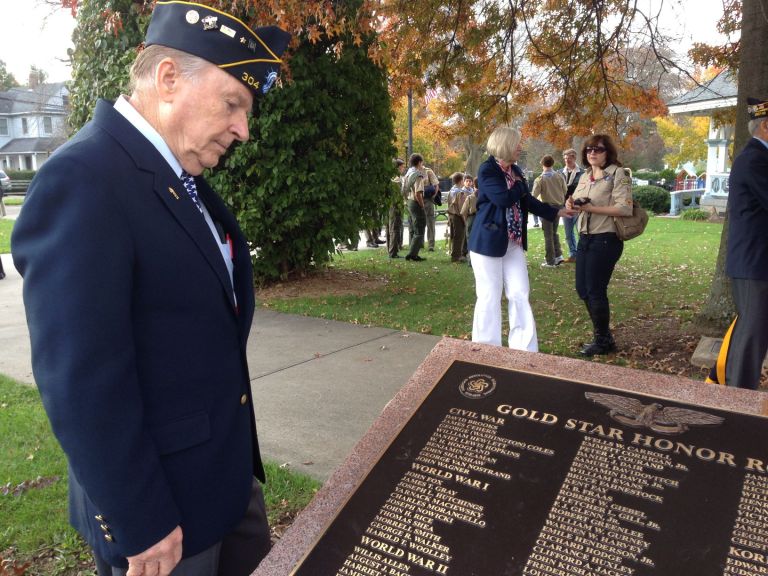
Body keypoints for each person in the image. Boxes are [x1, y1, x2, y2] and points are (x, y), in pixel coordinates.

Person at [11, 3, 290, 575]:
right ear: (168, 79)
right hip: (165, 521)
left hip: (226, 485)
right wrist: (140, 519)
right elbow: (80, 379)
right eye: (233, 103)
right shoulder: (83, 179)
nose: (243, 129)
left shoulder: (177, 180)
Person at [468, 126, 574, 350]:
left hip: (513, 242)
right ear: (504, 144)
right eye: (517, 143)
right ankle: (486, 348)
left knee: (519, 292)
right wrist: (519, 185)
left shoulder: (515, 170)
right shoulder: (487, 170)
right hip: (488, 242)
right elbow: (503, 198)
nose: (520, 147)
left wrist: (556, 211)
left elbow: (528, 202)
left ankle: (524, 349)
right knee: (489, 295)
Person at [566, 134, 633, 356]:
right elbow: (577, 202)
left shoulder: (618, 174)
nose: (592, 153)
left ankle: (603, 341)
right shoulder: (585, 176)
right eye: (589, 149)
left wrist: (591, 208)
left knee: (595, 290)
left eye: (598, 149)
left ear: (608, 152)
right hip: (585, 238)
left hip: (606, 239)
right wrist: (572, 203)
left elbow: (624, 208)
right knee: (582, 289)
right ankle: (604, 337)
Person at [722, 97, 768, 389]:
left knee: (755, 332)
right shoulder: (754, 159)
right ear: (766, 125)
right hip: (755, 262)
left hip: (757, 261)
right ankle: (737, 404)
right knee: (752, 335)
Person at [531, 154, 567, 268]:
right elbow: (565, 190)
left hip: (547, 208)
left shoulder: (540, 179)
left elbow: (534, 195)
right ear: (552, 164)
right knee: (554, 232)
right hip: (559, 207)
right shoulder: (559, 176)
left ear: (542, 164)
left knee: (548, 235)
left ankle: (550, 261)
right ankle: (558, 256)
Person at [403, 153, 428, 262]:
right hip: (415, 202)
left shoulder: (408, 173)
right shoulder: (417, 175)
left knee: (415, 227)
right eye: (422, 162)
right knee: (420, 228)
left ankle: (413, 253)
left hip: (409, 201)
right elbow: (418, 194)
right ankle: (412, 254)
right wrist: (422, 206)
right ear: (419, 162)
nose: (422, 165)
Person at [559, 148, 583, 262]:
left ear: (574, 157)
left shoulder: (582, 173)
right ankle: (573, 254)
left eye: (568, 158)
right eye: (565, 158)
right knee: (568, 233)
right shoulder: (559, 173)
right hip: (565, 206)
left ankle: (583, 254)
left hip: (578, 207)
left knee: (580, 231)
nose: (566, 160)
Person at [446, 172, 468, 263]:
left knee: (454, 236)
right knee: (459, 236)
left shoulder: (451, 190)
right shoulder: (460, 192)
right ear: (460, 181)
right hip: (458, 216)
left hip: (451, 215)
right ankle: (456, 256)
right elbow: (462, 209)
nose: (464, 181)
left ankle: (455, 254)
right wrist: (464, 220)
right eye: (463, 179)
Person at [387, 159, 406, 259]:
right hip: (395, 206)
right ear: (398, 167)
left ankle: (391, 250)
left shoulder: (392, 178)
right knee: (394, 228)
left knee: (390, 228)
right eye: (402, 167)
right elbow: (399, 194)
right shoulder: (396, 179)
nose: (404, 169)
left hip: (391, 205)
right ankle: (393, 252)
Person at [422, 164, 441, 252]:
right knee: (417, 222)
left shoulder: (428, 171)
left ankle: (431, 245)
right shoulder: (411, 171)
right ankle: (418, 244)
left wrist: (433, 196)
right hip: (416, 200)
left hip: (427, 199)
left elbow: (436, 184)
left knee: (430, 223)